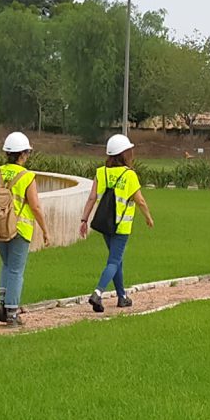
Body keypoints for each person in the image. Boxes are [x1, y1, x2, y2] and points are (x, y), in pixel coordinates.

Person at [80, 133, 155, 312]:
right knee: (114, 261)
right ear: (124, 154)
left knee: (117, 260)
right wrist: (148, 217)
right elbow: (140, 200)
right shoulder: (129, 175)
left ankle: (122, 297)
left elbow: (91, 198)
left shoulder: (101, 172)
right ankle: (98, 293)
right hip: (122, 225)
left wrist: (84, 219)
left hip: (105, 224)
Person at [0, 131, 44, 327]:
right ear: (22, 154)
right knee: (16, 270)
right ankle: (12, 311)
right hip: (19, 229)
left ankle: (2, 301)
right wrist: (46, 230)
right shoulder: (27, 176)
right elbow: (35, 206)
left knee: (7, 265)